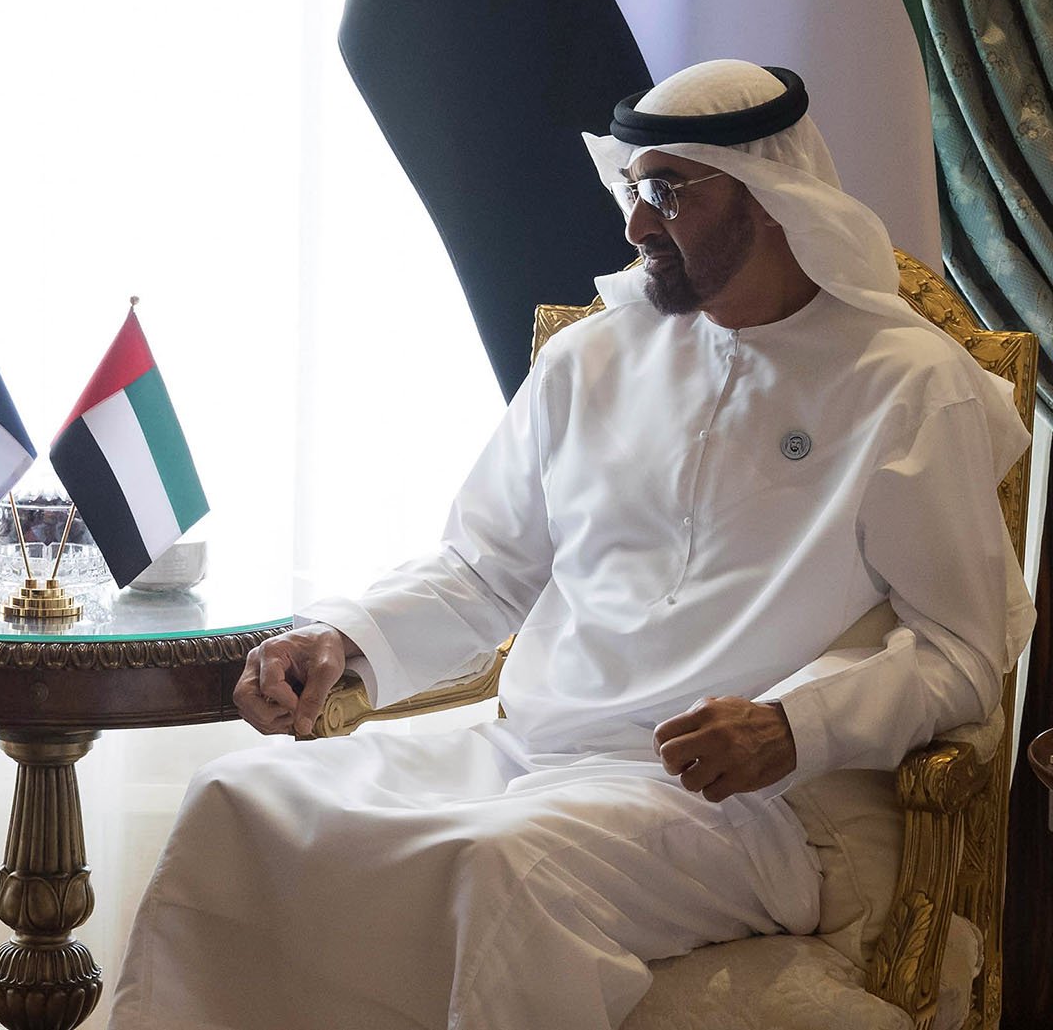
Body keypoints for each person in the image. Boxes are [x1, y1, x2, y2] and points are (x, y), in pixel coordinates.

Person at [107, 60, 1037, 1028]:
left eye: (667, 191)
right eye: (633, 188)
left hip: (753, 805)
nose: (636, 223)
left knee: (507, 865)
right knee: (235, 801)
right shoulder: (587, 358)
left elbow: (959, 650)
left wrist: (793, 724)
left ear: (766, 197)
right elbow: (481, 568)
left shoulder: (902, 383)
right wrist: (344, 639)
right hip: (532, 756)